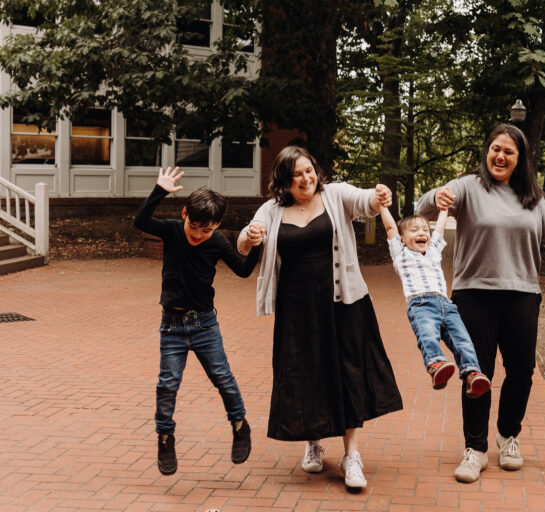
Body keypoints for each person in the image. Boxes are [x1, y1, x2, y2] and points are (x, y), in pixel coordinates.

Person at [416, 124, 545, 484]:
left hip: (522, 294)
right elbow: (422, 209)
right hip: (473, 294)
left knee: (522, 371)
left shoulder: (535, 199)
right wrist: (436, 198)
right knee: (478, 373)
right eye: (495, 149)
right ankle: (475, 448)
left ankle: (508, 436)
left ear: (520, 159)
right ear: (486, 152)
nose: (500, 156)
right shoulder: (468, 187)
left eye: (508, 151)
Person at [236, 145, 403, 490]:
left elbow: (366, 202)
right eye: (296, 174)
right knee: (305, 375)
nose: (306, 178)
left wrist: (379, 195)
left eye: (309, 170)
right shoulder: (272, 209)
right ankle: (313, 442)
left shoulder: (335, 195)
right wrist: (248, 238)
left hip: (343, 304)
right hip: (297, 310)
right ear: (283, 180)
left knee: (348, 374)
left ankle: (351, 455)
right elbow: (246, 239)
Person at [135, 166, 260, 476]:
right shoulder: (172, 231)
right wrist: (159, 190)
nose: (199, 234)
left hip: (205, 325)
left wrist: (257, 247)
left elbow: (244, 271)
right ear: (184, 214)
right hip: (172, 326)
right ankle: (165, 438)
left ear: (217, 225)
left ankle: (240, 426)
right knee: (167, 385)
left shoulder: (217, 242)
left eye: (207, 229)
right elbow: (140, 221)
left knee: (223, 378)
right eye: (195, 226)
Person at [379, 204, 491, 397]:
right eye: (414, 231)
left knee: (463, 340)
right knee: (428, 335)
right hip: (421, 305)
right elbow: (390, 228)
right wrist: (382, 206)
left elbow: (439, 229)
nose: (422, 233)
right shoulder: (401, 254)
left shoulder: (433, 251)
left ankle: (472, 373)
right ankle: (435, 364)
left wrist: (444, 209)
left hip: (446, 305)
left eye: (424, 230)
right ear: (403, 240)